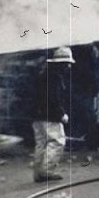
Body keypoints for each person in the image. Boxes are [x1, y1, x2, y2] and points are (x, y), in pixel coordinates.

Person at [32, 46, 75, 183]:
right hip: (49, 116)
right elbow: (53, 98)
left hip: (37, 116)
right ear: (61, 64)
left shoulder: (42, 74)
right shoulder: (55, 78)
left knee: (41, 144)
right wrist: (61, 114)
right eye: (67, 63)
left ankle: (38, 172)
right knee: (57, 142)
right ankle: (46, 172)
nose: (68, 66)